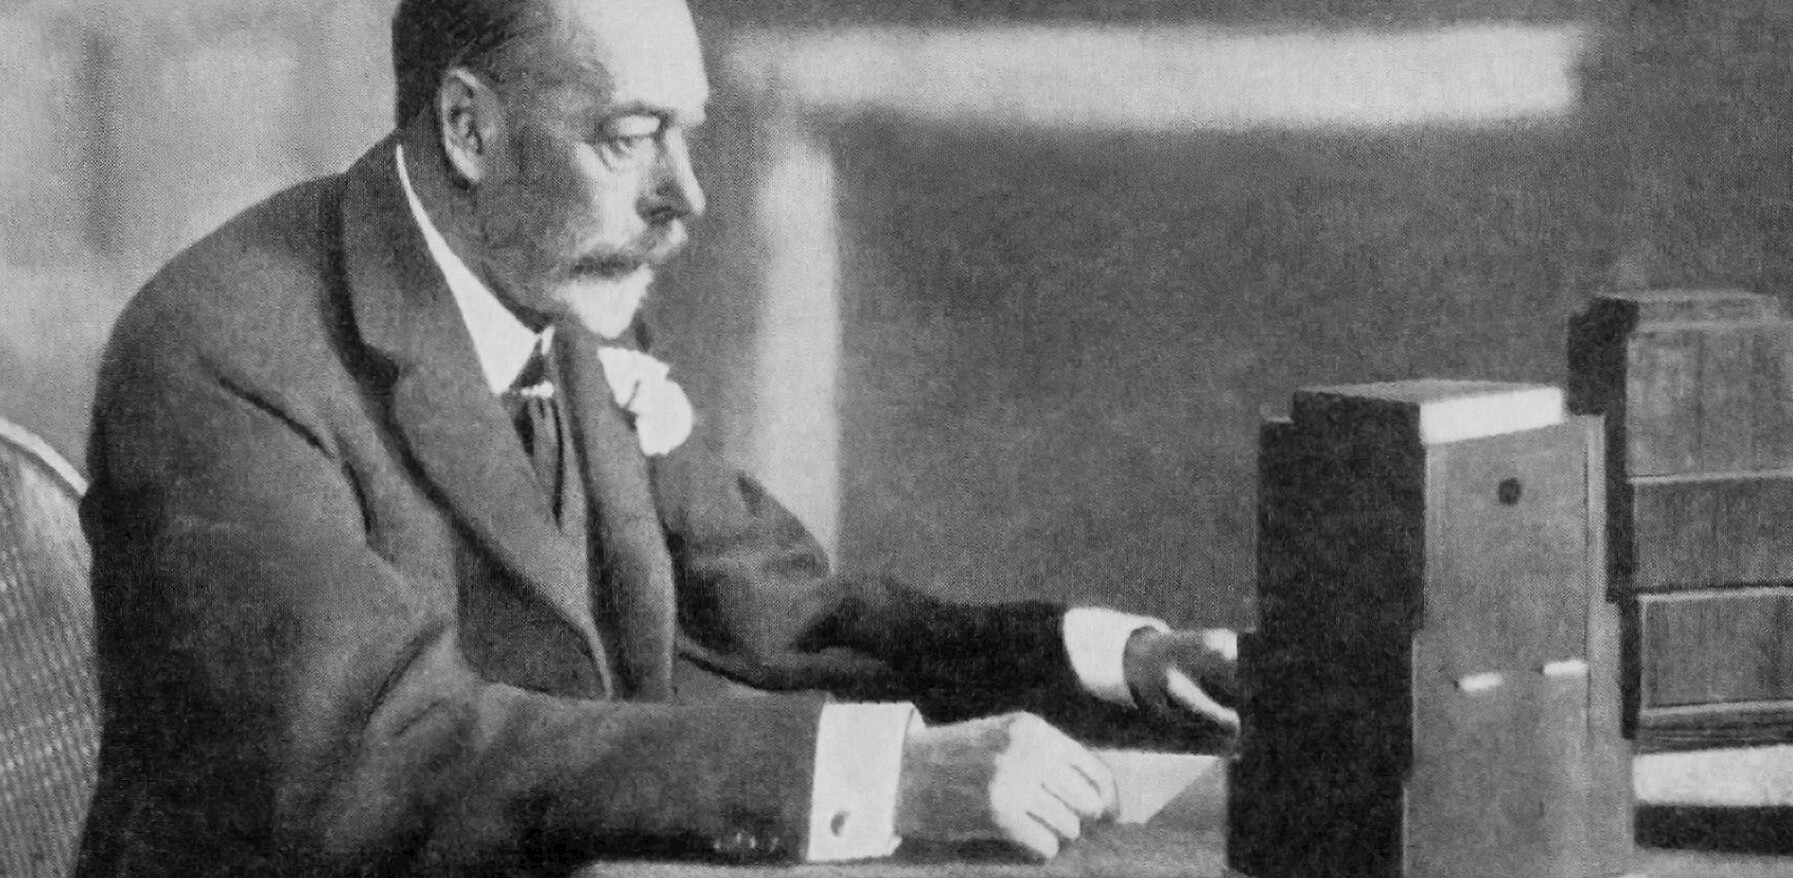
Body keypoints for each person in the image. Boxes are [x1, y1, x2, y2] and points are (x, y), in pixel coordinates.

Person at [75, 0, 1240, 874]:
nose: (686, 195)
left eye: (686, 134)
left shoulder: (553, 281)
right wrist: (870, 774)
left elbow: (781, 613)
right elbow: (382, 755)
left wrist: (1119, 660)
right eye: (631, 137)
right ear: (470, 127)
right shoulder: (220, 352)